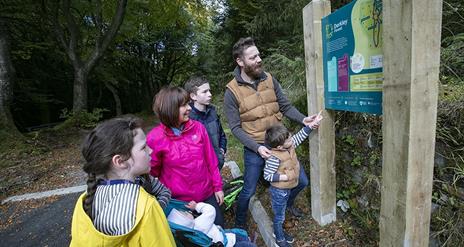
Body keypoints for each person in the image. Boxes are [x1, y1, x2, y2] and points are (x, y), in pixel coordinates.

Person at [223, 37, 320, 229]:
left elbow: (285, 106)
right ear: (240, 62)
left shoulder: (269, 79)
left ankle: (287, 205)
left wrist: (303, 119)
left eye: (259, 55)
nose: (259, 59)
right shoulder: (231, 92)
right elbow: (235, 128)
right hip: (255, 147)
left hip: (280, 144)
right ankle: (240, 226)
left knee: (301, 181)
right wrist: (257, 148)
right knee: (249, 190)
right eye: (253, 57)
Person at [70, 116, 175, 246]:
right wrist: (157, 212)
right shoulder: (146, 207)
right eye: (143, 148)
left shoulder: (84, 202)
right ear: (120, 161)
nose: (151, 150)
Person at [147, 86, 225, 227]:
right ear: (170, 109)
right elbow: (151, 173)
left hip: (206, 194)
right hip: (179, 202)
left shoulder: (198, 128)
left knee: (218, 230)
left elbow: (211, 161)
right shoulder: (155, 138)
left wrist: (217, 187)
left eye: (188, 103)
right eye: (183, 105)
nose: (189, 108)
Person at [263, 122, 321, 247]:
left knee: (282, 212)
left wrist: (311, 126)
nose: (292, 139)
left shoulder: (289, 144)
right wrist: (286, 176)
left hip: (289, 186)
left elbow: (300, 135)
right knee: (280, 216)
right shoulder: (274, 158)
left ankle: (279, 231)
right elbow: (267, 175)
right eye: (289, 139)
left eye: (289, 136)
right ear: (279, 147)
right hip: (279, 191)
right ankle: (279, 238)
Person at [167, 201, 256, 247]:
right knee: (242, 238)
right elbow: (210, 210)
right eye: (184, 213)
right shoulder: (199, 224)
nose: (187, 212)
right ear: (185, 222)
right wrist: (196, 206)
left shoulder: (189, 235)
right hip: (228, 242)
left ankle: (247, 239)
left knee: (239, 235)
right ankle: (248, 240)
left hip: (218, 239)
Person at [184, 76, 228, 170]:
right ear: (193, 96)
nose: (210, 94)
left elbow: (221, 134)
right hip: (200, 169)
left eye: (209, 90)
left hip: (217, 163)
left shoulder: (213, 112)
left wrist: (222, 150)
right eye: (204, 92)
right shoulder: (187, 118)